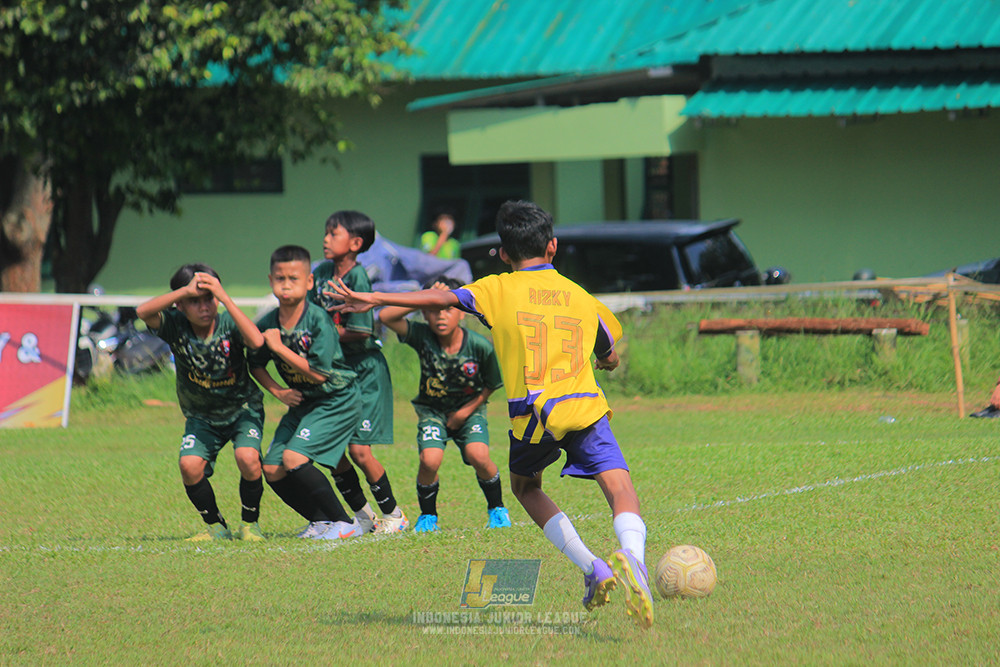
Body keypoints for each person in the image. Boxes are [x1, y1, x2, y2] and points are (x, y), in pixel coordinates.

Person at [331, 200, 654, 628]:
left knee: (524, 486)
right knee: (619, 486)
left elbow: (439, 295)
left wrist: (373, 296)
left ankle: (592, 567)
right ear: (553, 247)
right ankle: (634, 558)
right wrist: (607, 360)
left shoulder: (495, 289)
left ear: (503, 254)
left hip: (535, 414)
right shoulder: (582, 297)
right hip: (586, 408)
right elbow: (609, 349)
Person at [136, 263, 268, 541]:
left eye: (209, 299)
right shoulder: (175, 326)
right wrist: (184, 290)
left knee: (247, 458)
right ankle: (216, 527)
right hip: (201, 417)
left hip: (242, 410)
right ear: (181, 305)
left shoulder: (229, 321)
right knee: (190, 466)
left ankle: (250, 524)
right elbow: (143, 312)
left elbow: (256, 341)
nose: (204, 307)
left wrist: (225, 298)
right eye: (194, 302)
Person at [248, 245, 365, 540]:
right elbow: (256, 365)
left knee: (294, 459)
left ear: (309, 282)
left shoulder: (317, 320)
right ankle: (321, 520)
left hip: (336, 398)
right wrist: (279, 392)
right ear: (270, 280)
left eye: (294, 278)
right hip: (303, 402)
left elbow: (318, 372)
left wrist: (278, 347)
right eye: (280, 278)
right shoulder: (268, 322)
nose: (286, 285)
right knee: (273, 468)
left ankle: (345, 522)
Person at [378, 276, 510, 533]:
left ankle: (497, 509)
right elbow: (386, 316)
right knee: (430, 460)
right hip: (433, 412)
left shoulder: (480, 346)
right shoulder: (422, 336)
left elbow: (492, 384)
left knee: (478, 456)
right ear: (424, 314)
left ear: (461, 313)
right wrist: (422, 294)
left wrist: (464, 413)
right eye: (432, 310)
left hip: (469, 410)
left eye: (447, 308)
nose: (440, 316)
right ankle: (428, 517)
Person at [311, 211, 408, 533]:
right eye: (326, 232)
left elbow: (362, 331)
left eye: (333, 233)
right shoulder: (322, 272)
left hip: (364, 373)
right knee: (333, 451)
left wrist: (320, 334)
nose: (325, 238)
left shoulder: (358, 278)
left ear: (355, 243)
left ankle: (394, 515)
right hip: (334, 374)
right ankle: (365, 518)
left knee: (359, 450)